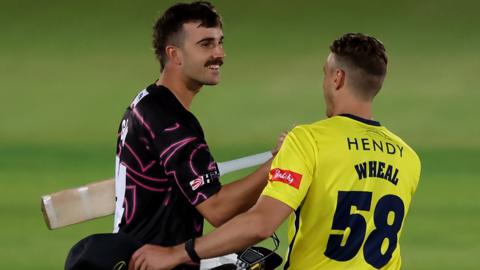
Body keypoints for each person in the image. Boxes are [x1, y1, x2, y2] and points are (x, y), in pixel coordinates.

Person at [130, 33, 421, 270]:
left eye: (325, 74)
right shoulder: (407, 157)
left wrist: (178, 253)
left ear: (338, 79)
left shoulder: (309, 140)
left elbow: (261, 223)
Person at [114, 2, 284, 269]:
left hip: (141, 254)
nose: (220, 53)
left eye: (219, 42)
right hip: (156, 262)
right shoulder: (170, 122)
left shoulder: (149, 101)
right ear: (175, 54)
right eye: (206, 44)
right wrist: (279, 164)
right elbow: (218, 210)